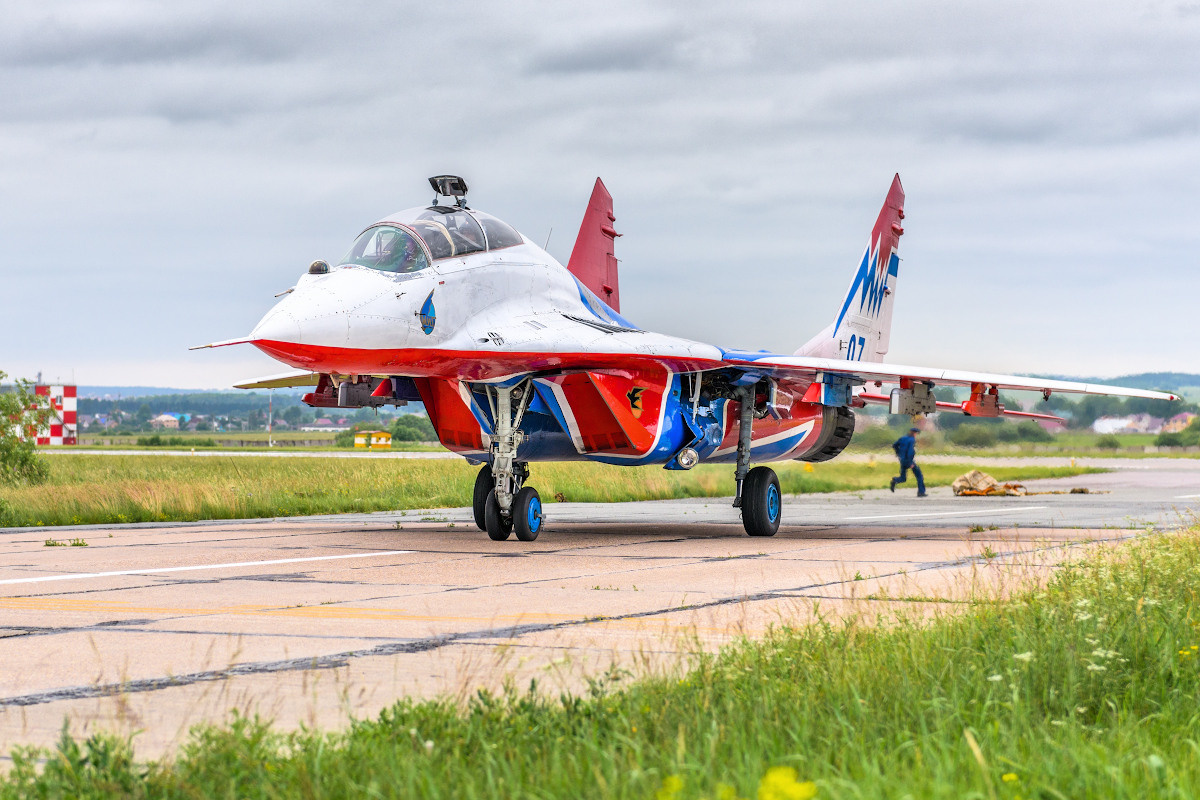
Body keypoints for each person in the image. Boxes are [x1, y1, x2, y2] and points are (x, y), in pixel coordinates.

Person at [890, 427, 926, 497]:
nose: (916, 435)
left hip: (902, 460)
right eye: (916, 433)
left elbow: (894, 445)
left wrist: (898, 453)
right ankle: (921, 492)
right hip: (909, 461)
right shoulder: (911, 440)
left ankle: (895, 480)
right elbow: (910, 452)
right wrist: (910, 463)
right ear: (914, 433)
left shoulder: (903, 438)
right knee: (919, 476)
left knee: (903, 478)